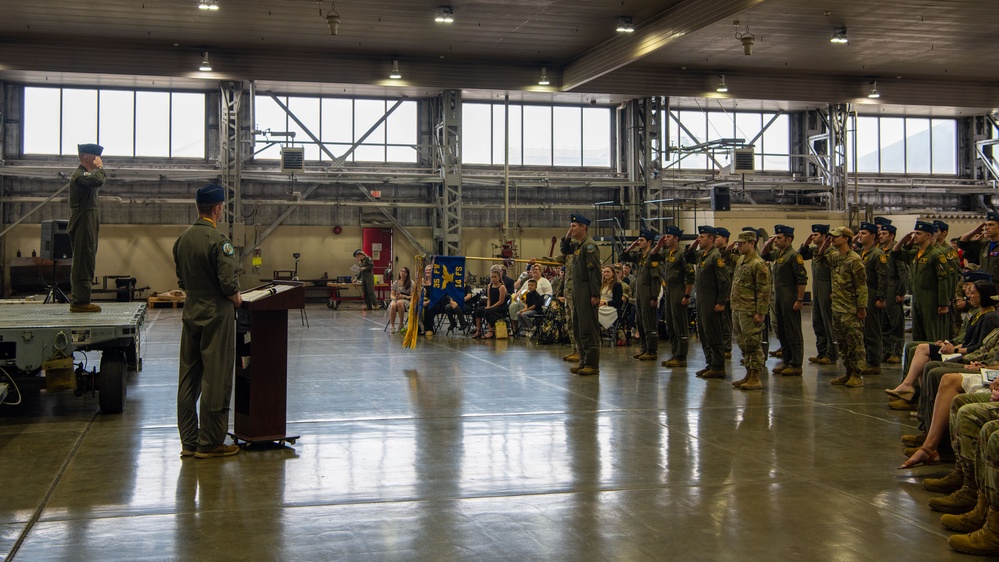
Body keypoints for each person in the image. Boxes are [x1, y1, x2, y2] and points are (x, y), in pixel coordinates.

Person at [173, 184, 242, 459]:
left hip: (191, 311)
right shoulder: (219, 241)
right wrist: (236, 298)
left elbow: (181, 279)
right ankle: (211, 440)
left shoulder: (182, 240)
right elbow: (228, 284)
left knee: (188, 377)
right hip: (216, 314)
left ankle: (189, 440)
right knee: (216, 376)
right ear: (217, 209)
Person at [815, 226, 868, 387]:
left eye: (836, 237)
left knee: (855, 343)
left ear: (846, 239)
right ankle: (848, 372)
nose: (832, 239)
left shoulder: (854, 260)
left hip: (850, 308)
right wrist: (827, 243)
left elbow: (861, 286)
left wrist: (861, 308)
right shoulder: (836, 257)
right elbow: (820, 256)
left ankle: (857, 374)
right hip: (838, 307)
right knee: (842, 343)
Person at [761, 225, 808, 377]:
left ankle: (796, 364)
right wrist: (768, 243)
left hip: (790, 298)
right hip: (779, 298)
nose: (776, 240)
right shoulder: (779, 254)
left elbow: (802, 279)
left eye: (779, 238)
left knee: (792, 331)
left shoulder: (794, 255)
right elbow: (764, 255)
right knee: (782, 330)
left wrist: (800, 299)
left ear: (789, 239)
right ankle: (787, 361)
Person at [685, 225, 731, 378]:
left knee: (713, 334)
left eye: (702, 237)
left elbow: (724, 281)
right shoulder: (702, 255)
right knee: (704, 333)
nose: (699, 239)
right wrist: (695, 243)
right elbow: (688, 256)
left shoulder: (715, 257)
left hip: (712, 301)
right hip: (702, 300)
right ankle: (710, 363)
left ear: (711, 238)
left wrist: (721, 302)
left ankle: (718, 366)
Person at [893, 221, 951, 342]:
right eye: (914, 233)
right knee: (918, 332)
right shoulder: (914, 254)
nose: (915, 236)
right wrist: (905, 239)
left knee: (931, 332)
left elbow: (943, 279)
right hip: (917, 298)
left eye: (918, 233)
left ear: (928, 236)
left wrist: (943, 303)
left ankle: (933, 358)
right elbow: (895, 253)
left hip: (931, 298)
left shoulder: (936, 255)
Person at [729, 229, 771, 390]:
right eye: (738, 243)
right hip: (738, 308)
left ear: (752, 243)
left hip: (750, 309)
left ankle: (755, 376)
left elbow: (764, 290)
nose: (738, 246)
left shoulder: (758, 264)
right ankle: (748, 372)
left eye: (742, 243)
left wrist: (761, 312)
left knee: (753, 343)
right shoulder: (742, 260)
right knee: (743, 343)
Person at [68, 143, 106, 313]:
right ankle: (80, 301)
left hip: (88, 218)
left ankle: (82, 299)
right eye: (95, 157)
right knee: (84, 258)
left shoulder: (85, 175)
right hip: (83, 219)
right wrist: (101, 168)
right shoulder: (80, 175)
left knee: (88, 256)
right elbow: (98, 180)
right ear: (85, 157)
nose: (97, 160)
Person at [562, 213, 601, 376]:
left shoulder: (589, 246)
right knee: (579, 328)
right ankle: (583, 361)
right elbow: (564, 249)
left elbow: (595, 272)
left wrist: (595, 294)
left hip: (586, 291)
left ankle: (592, 364)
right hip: (577, 291)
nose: (571, 228)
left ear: (583, 227)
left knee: (588, 328)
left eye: (574, 226)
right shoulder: (578, 245)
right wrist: (567, 236)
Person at [621, 229, 664, 361]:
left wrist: (654, 297)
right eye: (638, 240)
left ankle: (652, 351)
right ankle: (645, 348)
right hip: (639, 294)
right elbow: (623, 257)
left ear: (649, 242)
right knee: (640, 322)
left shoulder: (653, 257)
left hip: (648, 293)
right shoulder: (640, 256)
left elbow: (655, 279)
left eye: (641, 240)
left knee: (649, 323)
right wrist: (632, 246)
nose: (639, 242)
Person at [659, 226, 695, 369]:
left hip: (679, 291)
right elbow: (652, 257)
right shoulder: (668, 252)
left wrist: (687, 295)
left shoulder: (682, 253)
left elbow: (691, 275)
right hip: (669, 292)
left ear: (676, 238)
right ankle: (675, 354)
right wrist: (659, 245)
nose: (665, 238)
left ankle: (682, 356)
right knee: (670, 325)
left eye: (668, 236)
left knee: (680, 325)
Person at [856, 222, 888, 375]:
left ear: (873, 236)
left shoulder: (877, 254)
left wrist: (881, 297)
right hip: (863, 294)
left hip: (872, 293)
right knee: (863, 329)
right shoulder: (862, 253)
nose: (860, 236)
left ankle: (874, 363)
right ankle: (867, 360)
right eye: (860, 233)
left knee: (872, 329)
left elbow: (883, 277)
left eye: (864, 233)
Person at [879, 223, 908, 364]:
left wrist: (901, 292)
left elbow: (902, 272)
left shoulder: (896, 250)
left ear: (892, 236)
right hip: (883, 289)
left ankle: (896, 352)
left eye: (884, 233)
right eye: (880, 233)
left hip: (893, 287)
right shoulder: (879, 249)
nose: (881, 235)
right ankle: (886, 350)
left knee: (895, 322)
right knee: (884, 321)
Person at [959, 211, 999, 280]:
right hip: (984, 286)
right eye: (986, 225)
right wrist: (974, 232)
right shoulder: (984, 244)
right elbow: (961, 243)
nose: (986, 228)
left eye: (991, 225)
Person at [715, 227, 735, 358]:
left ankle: (727, 348)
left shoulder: (731, 255)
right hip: (717, 292)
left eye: (717, 237)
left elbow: (728, 275)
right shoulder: (716, 254)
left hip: (726, 294)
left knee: (726, 321)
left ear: (725, 239)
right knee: (719, 322)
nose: (715, 240)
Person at [471, 269, 508, 339]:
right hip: (491, 305)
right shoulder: (489, 286)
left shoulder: (501, 287)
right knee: (478, 310)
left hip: (499, 307)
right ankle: (478, 330)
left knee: (489, 311)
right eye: (492, 277)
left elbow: (501, 301)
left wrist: (491, 307)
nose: (493, 279)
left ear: (499, 278)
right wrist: (488, 306)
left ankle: (490, 331)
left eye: (495, 277)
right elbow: (489, 299)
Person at [597, 266, 623, 330]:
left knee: (595, 312)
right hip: (600, 305)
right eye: (604, 272)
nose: (606, 273)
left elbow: (618, 301)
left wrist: (605, 303)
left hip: (611, 307)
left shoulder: (617, 285)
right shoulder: (601, 284)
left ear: (613, 273)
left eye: (608, 272)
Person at [388, 267, 413, 333]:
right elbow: (392, 295)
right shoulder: (395, 283)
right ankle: (392, 325)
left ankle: (401, 324)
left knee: (399, 303)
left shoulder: (411, 283)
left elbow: (412, 296)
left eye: (405, 272)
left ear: (407, 274)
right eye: (402, 271)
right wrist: (394, 298)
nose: (403, 273)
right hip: (396, 299)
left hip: (406, 300)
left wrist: (403, 297)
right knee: (393, 305)